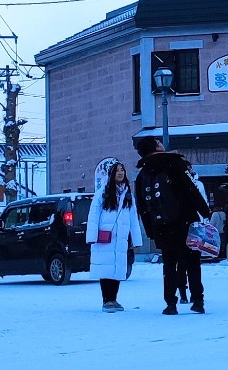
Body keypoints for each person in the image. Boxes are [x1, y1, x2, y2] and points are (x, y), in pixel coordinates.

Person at [133, 134, 209, 314]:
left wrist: (150, 230)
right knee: (192, 261)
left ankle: (170, 303)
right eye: (158, 142)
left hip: (161, 226)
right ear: (156, 147)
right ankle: (197, 300)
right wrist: (204, 210)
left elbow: (142, 205)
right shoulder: (174, 163)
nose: (161, 144)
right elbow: (190, 189)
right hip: (185, 220)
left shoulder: (142, 174)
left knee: (169, 264)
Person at [86, 158, 142, 311]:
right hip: (104, 238)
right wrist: (91, 236)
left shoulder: (128, 195)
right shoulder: (102, 194)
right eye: (117, 171)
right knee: (105, 268)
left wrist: (136, 240)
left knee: (118, 268)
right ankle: (107, 300)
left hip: (121, 239)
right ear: (111, 174)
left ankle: (114, 299)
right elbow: (93, 215)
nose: (120, 173)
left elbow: (133, 218)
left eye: (122, 170)